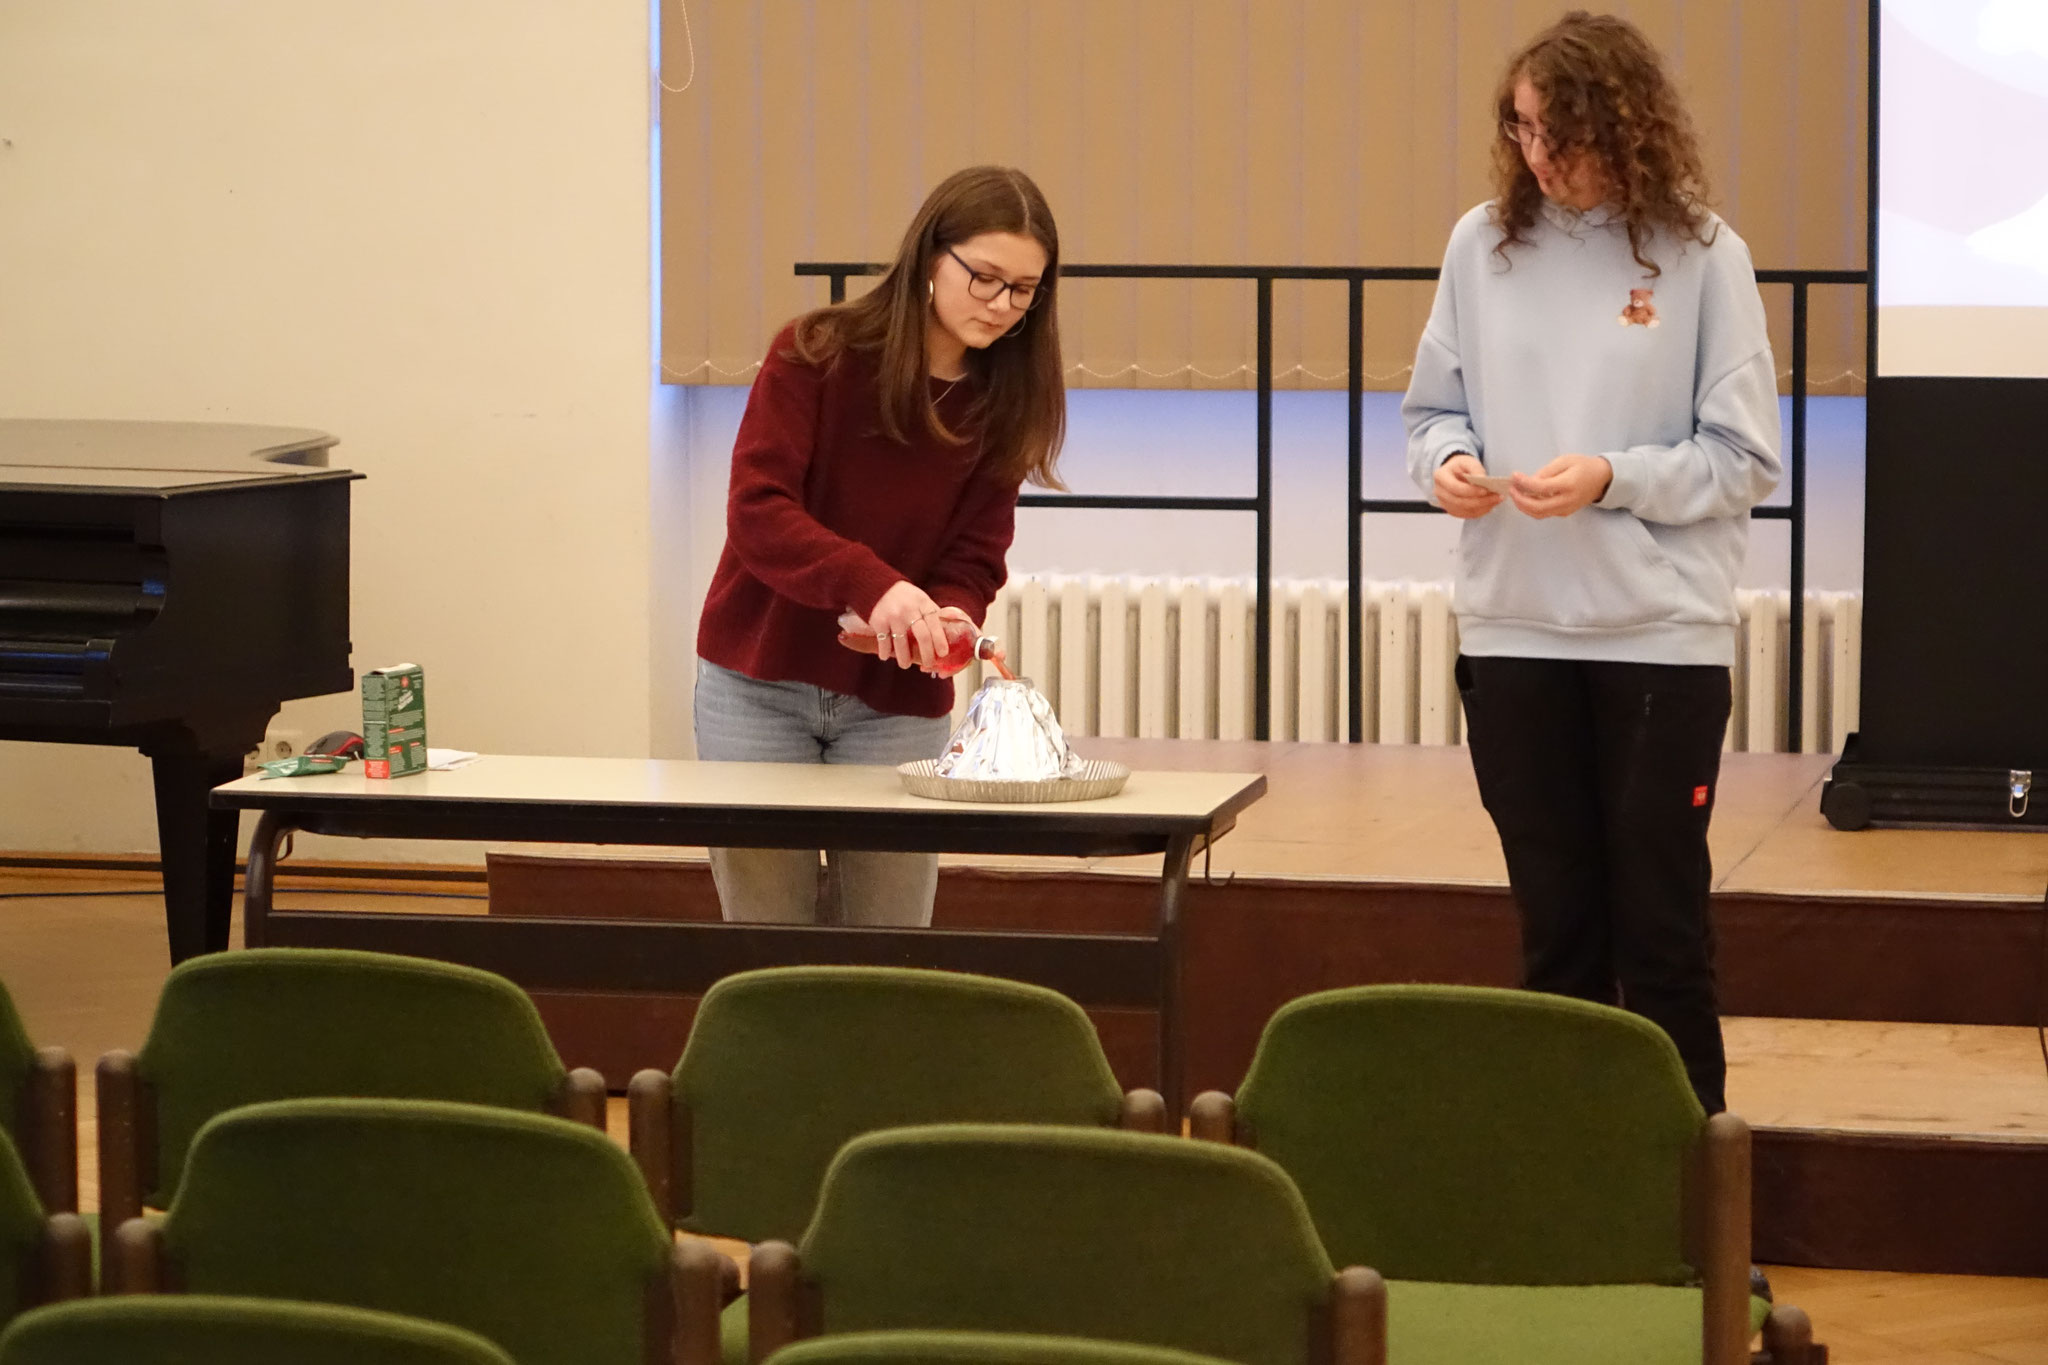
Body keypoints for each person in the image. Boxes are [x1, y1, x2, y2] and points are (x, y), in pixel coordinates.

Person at [1402, 11, 1782, 1114]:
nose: (1536, 156)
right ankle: (1566, 1182)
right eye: (1518, 130)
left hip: (1658, 641)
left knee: (1659, 933)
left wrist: (1612, 476)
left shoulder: (1703, 255)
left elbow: (1743, 457)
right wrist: (1447, 462)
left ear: (1623, 128)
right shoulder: (1480, 245)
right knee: (1555, 934)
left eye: (1558, 135)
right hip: (1512, 628)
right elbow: (1430, 413)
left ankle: (1689, 1188)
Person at [693, 165, 1066, 926]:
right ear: (931, 257)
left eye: (1024, 290)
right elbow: (759, 511)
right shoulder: (815, 352)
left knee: (890, 940)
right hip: (757, 685)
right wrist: (877, 587)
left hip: (895, 705)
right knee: (765, 934)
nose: (1001, 305)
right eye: (985, 278)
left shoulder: (1006, 399)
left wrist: (950, 615)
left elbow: (975, 555)